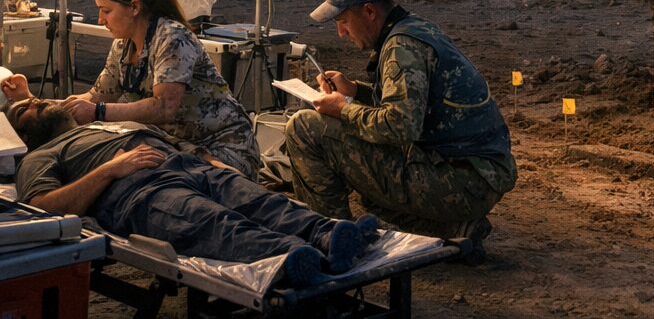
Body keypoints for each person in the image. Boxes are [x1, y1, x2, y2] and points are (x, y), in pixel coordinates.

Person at [8, 99, 379, 288]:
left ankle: (328, 234)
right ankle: (292, 257)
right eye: (25, 110)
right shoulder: (41, 156)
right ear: (22, 136)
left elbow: (177, 142)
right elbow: (43, 207)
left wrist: (215, 165)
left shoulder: (107, 124)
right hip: (139, 191)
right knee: (215, 223)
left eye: (35, 98)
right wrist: (110, 169)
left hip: (192, 167)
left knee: (263, 201)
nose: (37, 102)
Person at [285, 0, 517, 254]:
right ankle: (455, 230)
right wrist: (355, 91)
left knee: (304, 127)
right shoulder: (415, 28)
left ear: (369, 12)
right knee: (372, 194)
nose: (341, 33)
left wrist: (342, 109)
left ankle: (331, 240)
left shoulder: (401, 47)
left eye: (344, 21)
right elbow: (416, 103)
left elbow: (400, 125)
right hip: (474, 177)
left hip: (461, 180)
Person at [58, 0, 259, 179]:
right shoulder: (123, 46)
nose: (100, 19)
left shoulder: (172, 38)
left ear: (135, 7)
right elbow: (95, 96)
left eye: (107, 11)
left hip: (221, 148)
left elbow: (163, 107)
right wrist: (37, 102)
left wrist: (98, 112)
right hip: (178, 146)